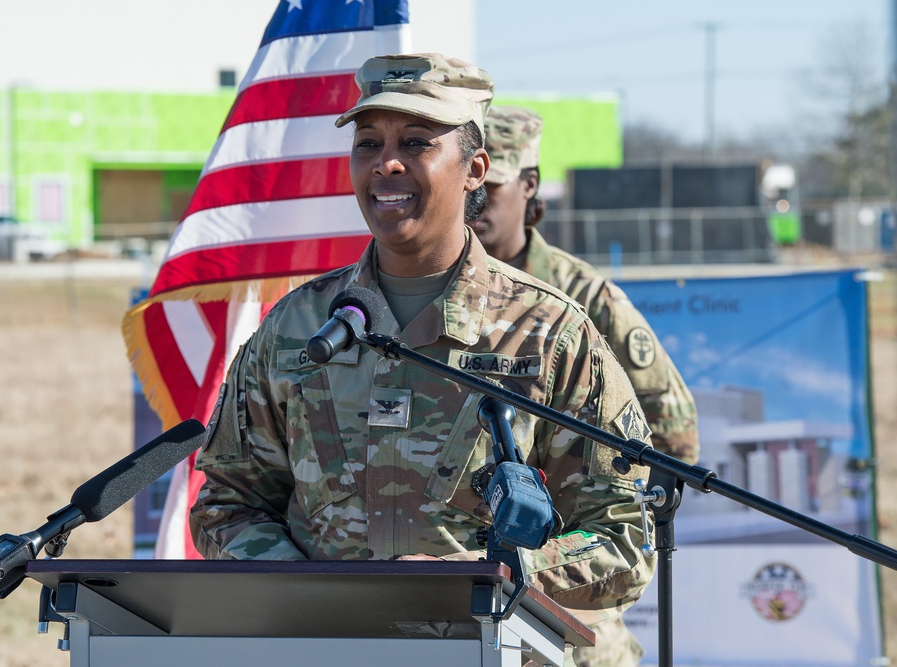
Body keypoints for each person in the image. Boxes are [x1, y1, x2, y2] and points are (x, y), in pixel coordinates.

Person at [190, 54, 656, 663]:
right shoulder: (296, 328)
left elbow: (622, 536)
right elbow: (229, 502)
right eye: (368, 143)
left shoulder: (549, 334)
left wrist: (490, 577)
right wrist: (306, 594)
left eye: (416, 142)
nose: (386, 163)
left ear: (475, 170)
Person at [470, 104, 701, 666]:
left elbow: (673, 434)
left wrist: (588, 506)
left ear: (528, 186)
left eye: (490, 187)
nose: (474, 202)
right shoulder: (428, 299)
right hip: (460, 593)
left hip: (566, 594)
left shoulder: (583, 300)